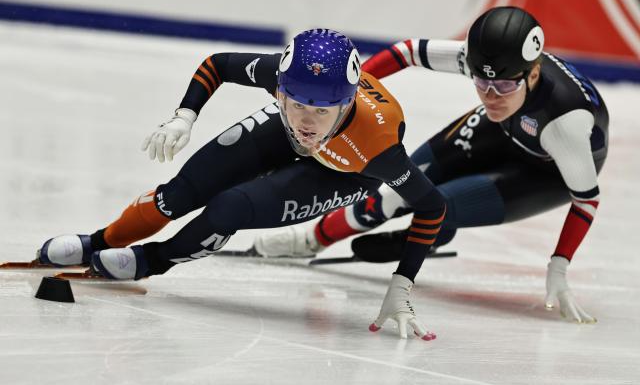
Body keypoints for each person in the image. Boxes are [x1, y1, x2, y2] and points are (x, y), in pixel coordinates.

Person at [36, 29, 445, 340]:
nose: (306, 122)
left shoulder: (378, 148)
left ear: (347, 103)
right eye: (296, 104)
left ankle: (150, 261)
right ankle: (98, 241)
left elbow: (432, 206)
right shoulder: (280, 80)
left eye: (321, 111)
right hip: (281, 133)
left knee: (229, 208)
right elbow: (218, 63)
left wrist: (401, 284)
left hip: (344, 171)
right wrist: (184, 116)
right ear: (280, 91)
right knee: (179, 193)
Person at [253, 8, 608, 324]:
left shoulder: (566, 124)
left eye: (502, 85)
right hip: (501, 129)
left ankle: (428, 234)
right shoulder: (487, 66)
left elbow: (587, 200)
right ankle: (314, 238)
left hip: (547, 172)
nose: (490, 95)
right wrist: (351, 92)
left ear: (532, 75)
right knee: (400, 187)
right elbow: (406, 52)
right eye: (481, 83)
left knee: (441, 204)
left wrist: (558, 267)